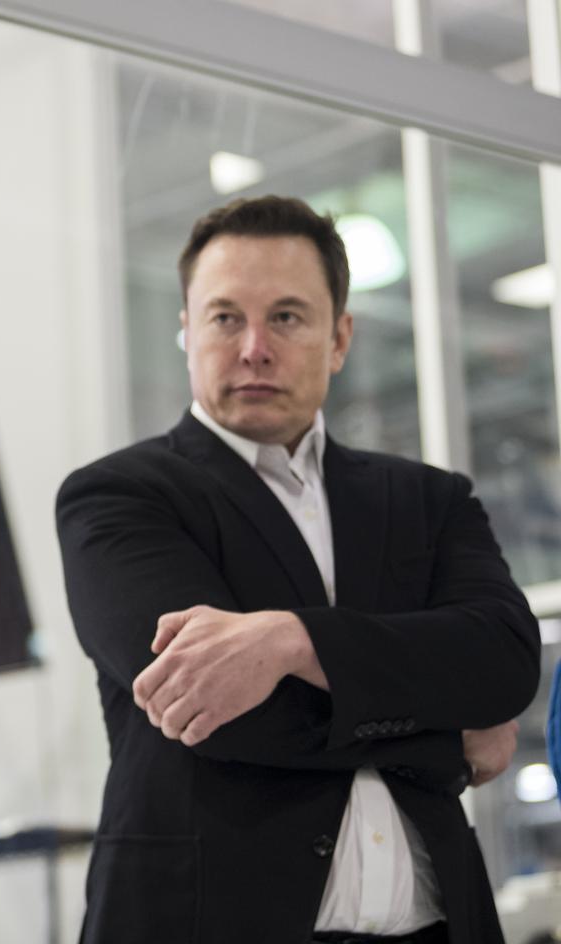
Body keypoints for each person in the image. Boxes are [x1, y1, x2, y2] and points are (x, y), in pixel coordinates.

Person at [56, 195, 538, 944]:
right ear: (186, 330)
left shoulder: (428, 499)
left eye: (286, 316)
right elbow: (216, 713)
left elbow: (504, 662)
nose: (254, 347)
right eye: (224, 317)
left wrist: (290, 644)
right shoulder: (118, 496)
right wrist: (445, 735)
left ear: (339, 336)